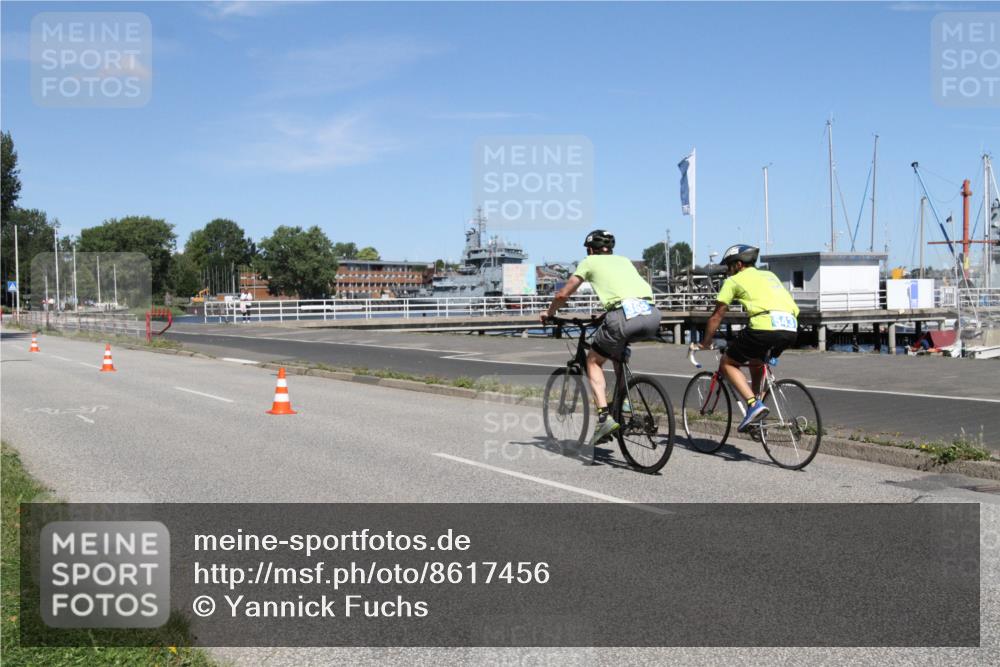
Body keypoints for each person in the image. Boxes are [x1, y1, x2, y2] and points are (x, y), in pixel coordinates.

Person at [541, 229, 661, 446]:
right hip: (652, 315)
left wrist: (549, 314)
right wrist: (606, 315)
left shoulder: (589, 261)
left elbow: (562, 294)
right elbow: (628, 294)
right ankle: (622, 402)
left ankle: (604, 418)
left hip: (622, 317)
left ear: (589, 249)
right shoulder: (624, 261)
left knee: (593, 361)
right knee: (617, 351)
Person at [696, 244, 799, 432]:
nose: (727, 270)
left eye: (729, 265)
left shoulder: (734, 281)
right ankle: (758, 405)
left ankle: (753, 405)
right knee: (756, 359)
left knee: (728, 363)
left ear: (739, 264)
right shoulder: (770, 275)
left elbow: (717, 316)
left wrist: (705, 342)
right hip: (791, 327)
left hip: (764, 326)